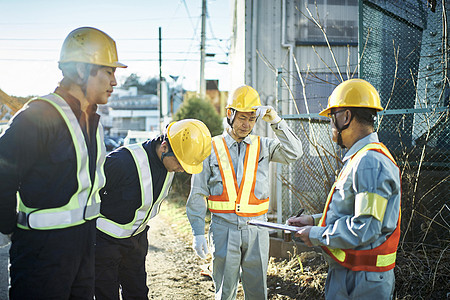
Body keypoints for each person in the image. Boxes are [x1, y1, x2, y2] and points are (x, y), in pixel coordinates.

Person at [0, 27, 126, 299]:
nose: (115, 81)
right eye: (108, 71)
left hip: (82, 245)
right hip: (41, 254)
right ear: (81, 71)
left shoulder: (92, 120)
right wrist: (9, 227)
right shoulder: (38, 116)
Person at [186, 85, 303, 300]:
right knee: (225, 292)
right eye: (242, 117)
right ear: (230, 114)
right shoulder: (210, 147)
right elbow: (197, 193)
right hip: (223, 229)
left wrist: (276, 121)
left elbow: (295, 152)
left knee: (258, 292)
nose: (246, 124)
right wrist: (197, 232)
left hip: (257, 229)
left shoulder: (264, 146)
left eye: (251, 119)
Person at [288, 79, 401, 299]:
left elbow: (365, 227)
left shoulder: (369, 161)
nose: (331, 126)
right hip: (355, 274)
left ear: (346, 117)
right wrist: (313, 220)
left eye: (332, 118)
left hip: (361, 281)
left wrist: (317, 234)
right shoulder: (361, 158)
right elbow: (356, 212)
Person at [94, 119, 212, 300]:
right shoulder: (122, 161)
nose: (181, 169)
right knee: (106, 295)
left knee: (138, 293)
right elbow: (89, 193)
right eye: (180, 163)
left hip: (136, 241)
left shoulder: (169, 165)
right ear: (164, 147)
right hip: (104, 244)